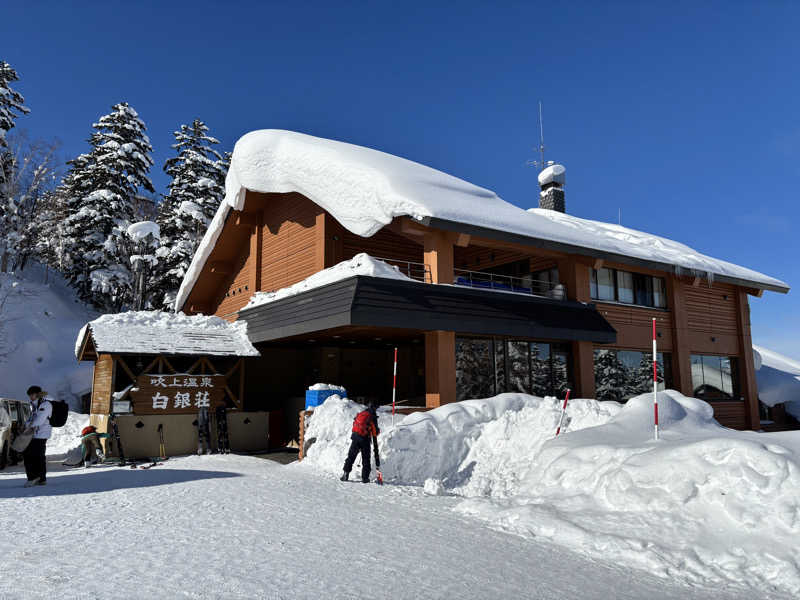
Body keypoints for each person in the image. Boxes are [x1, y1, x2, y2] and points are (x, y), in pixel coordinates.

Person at [341, 401, 380, 483]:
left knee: (351, 456)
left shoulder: (362, 413)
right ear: (375, 408)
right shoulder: (372, 416)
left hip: (355, 437)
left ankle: (345, 473)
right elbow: (375, 432)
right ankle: (365, 478)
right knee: (366, 459)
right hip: (364, 439)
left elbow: (355, 422)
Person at [22, 385, 52, 487]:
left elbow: (39, 420)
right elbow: (32, 419)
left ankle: (33, 478)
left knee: (29, 456)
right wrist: (28, 424)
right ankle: (41, 479)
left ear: (37, 394)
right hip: (35, 434)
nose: (30, 396)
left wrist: (28, 426)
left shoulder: (45, 404)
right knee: (38, 457)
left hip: (40, 434)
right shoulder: (35, 404)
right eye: (29, 395)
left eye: (32, 394)